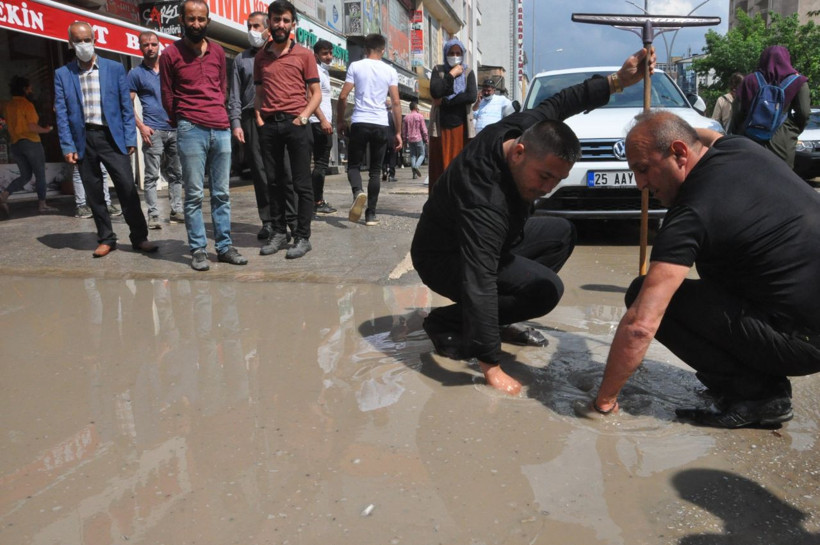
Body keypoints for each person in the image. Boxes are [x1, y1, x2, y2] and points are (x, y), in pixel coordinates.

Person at [411, 49, 655, 395]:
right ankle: (447, 323)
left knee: (561, 232)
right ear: (520, 153)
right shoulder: (484, 195)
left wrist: (618, 80)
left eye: (557, 180)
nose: (547, 188)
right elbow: (479, 278)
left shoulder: (525, 128)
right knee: (545, 290)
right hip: (444, 257)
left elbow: (563, 101)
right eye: (543, 176)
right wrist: (491, 365)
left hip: (495, 242)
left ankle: (495, 318)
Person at [591, 111, 820, 428]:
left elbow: (642, 324)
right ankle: (759, 379)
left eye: (643, 170)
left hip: (803, 343)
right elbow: (702, 136)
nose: (641, 184)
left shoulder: (692, 211)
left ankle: (759, 395)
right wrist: (655, 128)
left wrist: (603, 402)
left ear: (679, 153)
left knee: (645, 295)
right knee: (720, 270)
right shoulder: (739, 147)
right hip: (804, 321)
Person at [54, 21, 157, 258]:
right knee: (94, 193)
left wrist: (130, 137)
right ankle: (106, 238)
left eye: (86, 39)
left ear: (95, 40)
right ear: (70, 44)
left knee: (126, 188)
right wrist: (67, 145)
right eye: (77, 41)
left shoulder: (114, 68)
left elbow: (125, 106)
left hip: (112, 137)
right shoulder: (63, 74)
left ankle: (139, 237)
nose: (83, 45)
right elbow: (61, 112)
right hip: (83, 139)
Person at [160, 0, 247, 271]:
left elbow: (222, 88)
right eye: (191, 19)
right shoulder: (169, 55)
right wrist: (184, 119)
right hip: (190, 129)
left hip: (220, 127)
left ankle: (223, 247)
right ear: (182, 21)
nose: (196, 24)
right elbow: (167, 95)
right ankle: (198, 249)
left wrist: (218, 115)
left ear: (207, 21)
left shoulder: (219, 52)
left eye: (201, 19)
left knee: (222, 193)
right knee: (195, 194)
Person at [254, 0, 322, 259]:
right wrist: (260, 119)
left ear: (293, 24)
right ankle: (279, 233)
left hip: (297, 124)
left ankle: (303, 237)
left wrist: (304, 117)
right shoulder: (261, 56)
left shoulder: (304, 54)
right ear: (269, 22)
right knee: (273, 182)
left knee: (301, 183)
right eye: (275, 19)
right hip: (270, 126)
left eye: (285, 20)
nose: (280, 25)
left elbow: (315, 94)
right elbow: (259, 92)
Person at [229, 11, 289, 240]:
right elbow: (234, 95)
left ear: (268, 28)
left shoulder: (280, 54)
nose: (252, 31)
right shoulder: (240, 59)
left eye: (256, 26)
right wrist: (236, 123)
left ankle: (286, 219)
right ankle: (268, 221)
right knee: (260, 173)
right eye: (249, 26)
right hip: (250, 119)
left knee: (283, 171)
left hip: (277, 116)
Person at [336, 33, 401, 227]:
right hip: (381, 123)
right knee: (375, 170)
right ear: (383, 50)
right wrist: (398, 132)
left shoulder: (356, 66)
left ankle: (358, 192)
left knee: (354, 166)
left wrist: (340, 120)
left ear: (365, 49)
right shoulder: (390, 71)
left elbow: (342, 96)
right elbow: (396, 102)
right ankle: (371, 215)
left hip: (360, 122)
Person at [128, 30, 184, 229]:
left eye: (153, 44)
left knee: (176, 174)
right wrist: (141, 127)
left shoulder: (170, 70)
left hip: (175, 128)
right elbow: (127, 104)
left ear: (159, 45)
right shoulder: (136, 74)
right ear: (140, 47)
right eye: (146, 44)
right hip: (153, 131)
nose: (150, 48)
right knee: (151, 176)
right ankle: (153, 215)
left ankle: (177, 210)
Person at [731, 46, 810, 167]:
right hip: (782, 143)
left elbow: (737, 112)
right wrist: (792, 131)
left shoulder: (749, 80)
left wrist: (739, 133)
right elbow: (804, 113)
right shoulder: (798, 82)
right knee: (781, 183)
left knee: (749, 182)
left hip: (750, 141)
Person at [0, 76, 56, 214]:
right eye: (30, 87)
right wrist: (47, 130)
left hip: (15, 144)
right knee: (40, 174)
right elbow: (31, 127)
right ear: (25, 89)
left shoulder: (8, 105)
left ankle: (4, 195)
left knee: (25, 176)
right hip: (31, 143)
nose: (32, 89)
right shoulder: (27, 105)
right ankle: (42, 204)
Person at [427, 38, 476, 193]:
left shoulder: (468, 72)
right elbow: (436, 91)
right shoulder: (438, 70)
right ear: (445, 53)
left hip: (461, 128)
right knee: (439, 168)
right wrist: (451, 75)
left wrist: (446, 101)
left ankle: (457, 204)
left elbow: (471, 96)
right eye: (451, 53)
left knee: (459, 167)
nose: (455, 56)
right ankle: (438, 204)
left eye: (458, 53)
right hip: (440, 127)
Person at [309, 38, 337, 216]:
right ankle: (316, 201)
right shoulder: (316, 71)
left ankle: (312, 200)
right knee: (320, 165)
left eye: (330, 53)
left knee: (317, 165)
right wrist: (323, 120)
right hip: (318, 123)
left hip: (320, 122)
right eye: (325, 53)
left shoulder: (324, 71)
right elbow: (309, 96)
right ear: (316, 54)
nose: (329, 56)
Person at [402, 100, 427, 180]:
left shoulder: (406, 117)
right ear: (416, 107)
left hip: (410, 139)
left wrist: (404, 141)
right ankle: (416, 166)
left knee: (413, 156)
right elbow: (424, 129)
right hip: (418, 138)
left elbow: (404, 131)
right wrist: (426, 139)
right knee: (422, 154)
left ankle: (414, 175)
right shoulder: (420, 116)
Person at [382, 98, 398, 183]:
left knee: (384, 157)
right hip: (392, 140)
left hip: (383, 139)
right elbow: (397, 128)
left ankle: (384, 172)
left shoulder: (382, 116)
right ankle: (391, 175)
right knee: (392, 157)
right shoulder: (394, 117)